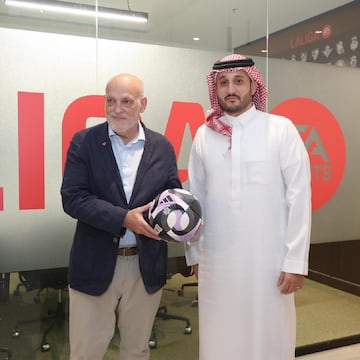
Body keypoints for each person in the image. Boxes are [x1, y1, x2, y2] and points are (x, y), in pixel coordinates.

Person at [185, 54, 312, 360]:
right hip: (217, 260)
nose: (231, 88)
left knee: (270, 335)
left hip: (268, 261)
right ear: (215, 89)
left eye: (239, 81)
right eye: (223, 82)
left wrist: (295, 261)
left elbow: (299, 196)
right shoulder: (204, 135)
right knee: (220, 335)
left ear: (253, 85)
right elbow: (195, 198)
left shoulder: (280, 128)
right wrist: (194, 254)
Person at [61, 73, 182, 360]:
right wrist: (124, 218)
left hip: (145, 267)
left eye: (126, 101)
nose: (117, 109)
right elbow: (73, 197)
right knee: (85, 353)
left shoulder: (162, 147)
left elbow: (172, 195)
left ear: (143, 104)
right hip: (94, 264)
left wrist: (185, 216)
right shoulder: (85, 142)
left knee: (137, 352)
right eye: (110, 101)